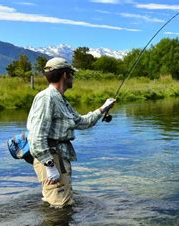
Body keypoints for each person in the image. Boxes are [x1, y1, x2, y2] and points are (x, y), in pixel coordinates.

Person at [27, 57, 115, 208]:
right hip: (52, 159)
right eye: (72, 74)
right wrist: (49, 166)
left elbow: (82, 122)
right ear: (65, 75)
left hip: (58, 157)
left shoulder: (61, 100)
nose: (73, 77)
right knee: (60, 207)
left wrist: (103, 108)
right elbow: (36, 137)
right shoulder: (46, 98)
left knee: (58, 203)